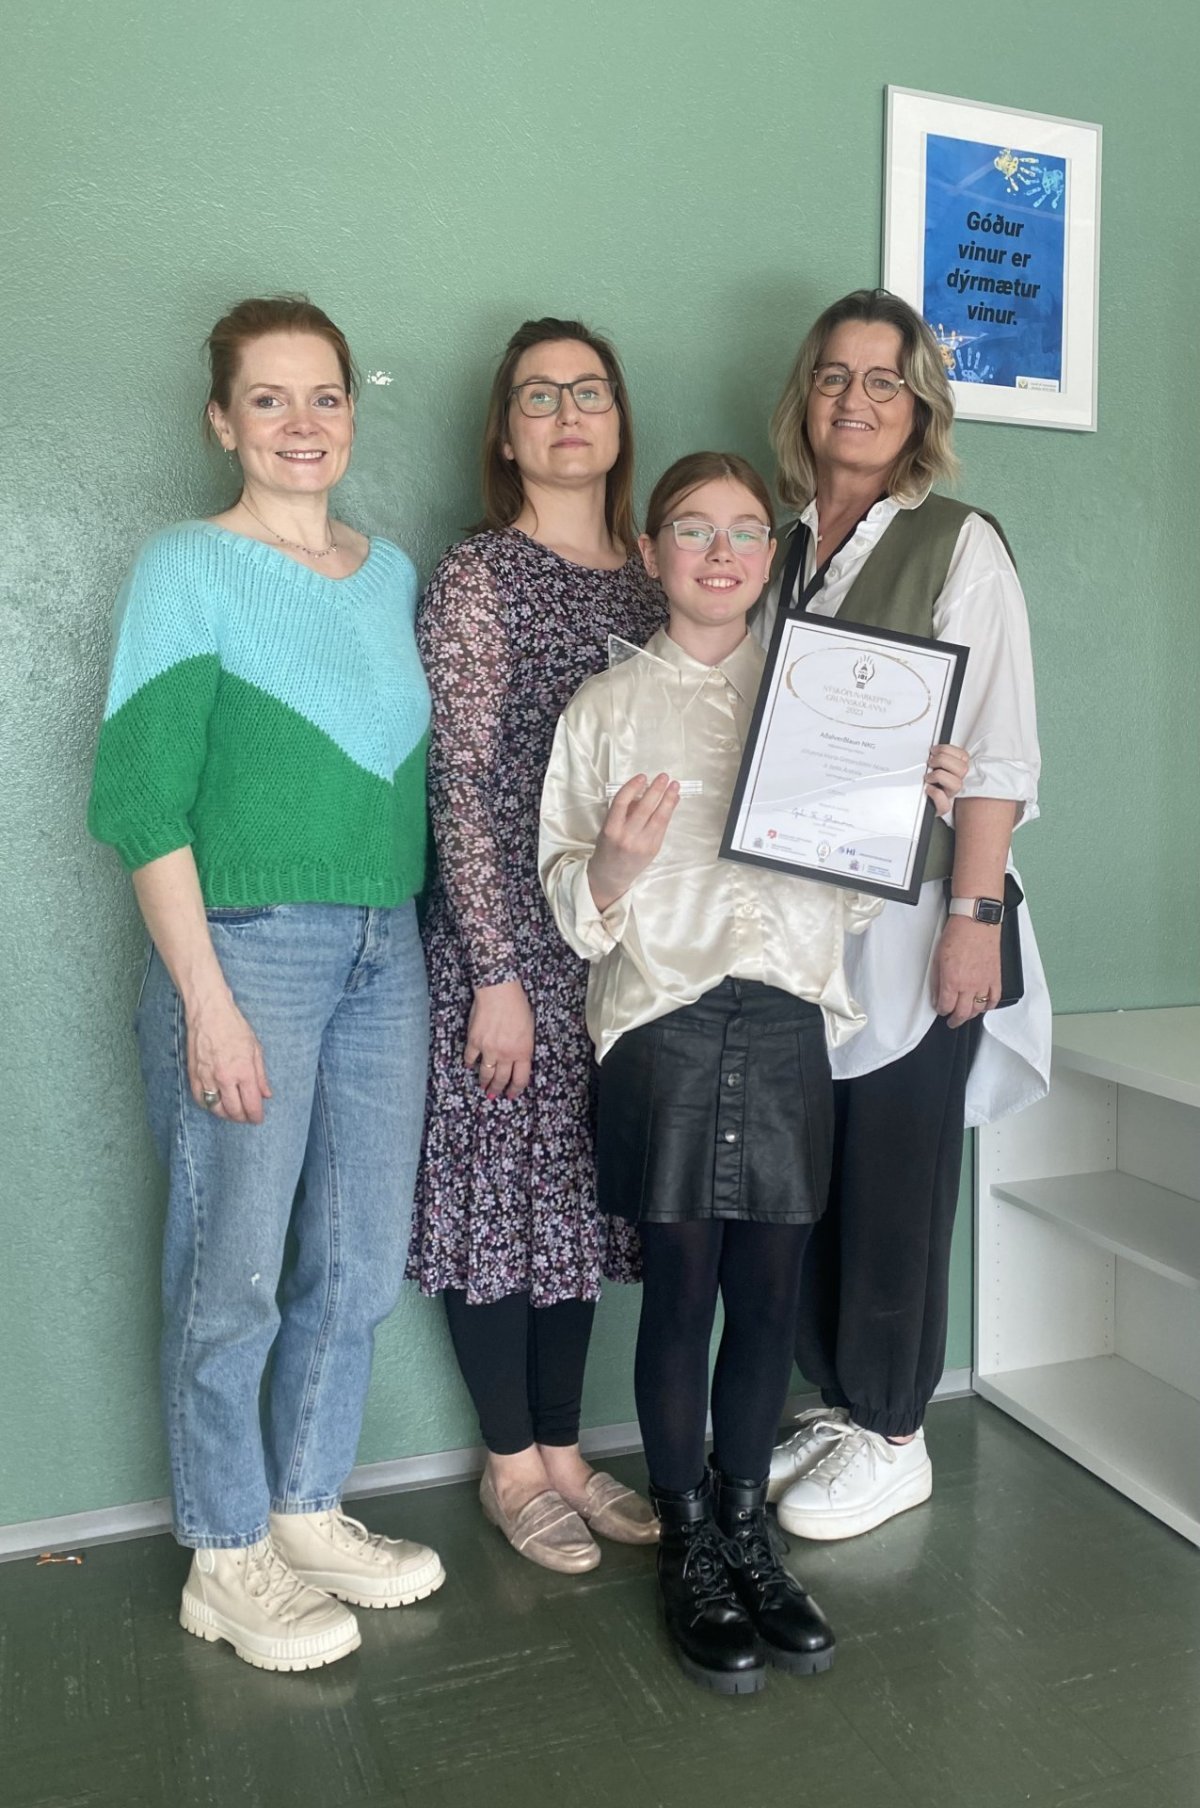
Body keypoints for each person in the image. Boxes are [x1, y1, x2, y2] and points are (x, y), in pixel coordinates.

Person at [539, 451, 966, 1693]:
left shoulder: (827, 699)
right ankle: (688, 1541)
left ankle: (746, 1530)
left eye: (742, 530)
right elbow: (571, 901)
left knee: (769, 1294)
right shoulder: (605, 706)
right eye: (691, 529)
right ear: (652, 551)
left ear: (772, 556)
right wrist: (612, 867)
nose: (720, 552)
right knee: (681, 1287)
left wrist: (912, 803)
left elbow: (858, 887)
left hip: (788, 1017)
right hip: (663, 1020)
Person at [87, 296, 444, 1672]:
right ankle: (224, 1551)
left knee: (355, 1259)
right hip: (247, 946)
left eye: (325, 396)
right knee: (231, 1267)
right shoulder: (186, 566)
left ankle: (302, 1507)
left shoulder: (389, 571)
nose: (303, 424)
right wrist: (207, 998)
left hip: (386, 946)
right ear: (221, 422)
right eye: (270, 399)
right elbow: (141, 802)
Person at [761, 288, 1049, 1540]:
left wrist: (972, 915)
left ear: (920, 405)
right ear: (806, 396)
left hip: (924, 909)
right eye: (836, 375)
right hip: (803, 920)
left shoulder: (959, 544)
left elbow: (998, 750)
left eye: (886, 379)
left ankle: (893, 1431)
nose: (857, 399)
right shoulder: (779, 545)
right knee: (818, 1169)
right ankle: (838, 1399)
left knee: (897, 1172)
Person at [409, 318, 664, 1572]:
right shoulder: (480, 576)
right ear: (506, 434)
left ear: (620, 421)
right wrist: (495, 975)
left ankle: (566, 1447)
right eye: (539, 396)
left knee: (573, 1200)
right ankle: (509, 1462)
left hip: (615, 945)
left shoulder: (657, 578)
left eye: (591, 391)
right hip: (505, 939)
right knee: (496, 1199)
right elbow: (456, 784)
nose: (569, 414)